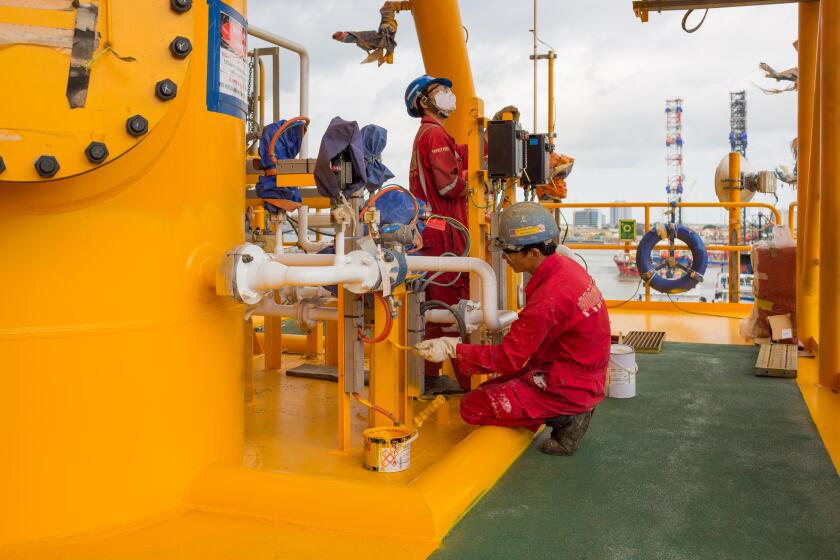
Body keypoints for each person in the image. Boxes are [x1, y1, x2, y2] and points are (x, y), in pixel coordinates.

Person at [413, 202, 611, 455]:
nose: (504, 258)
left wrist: (452, 348)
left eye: (509, 251)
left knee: (473, 406)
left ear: (534, 254)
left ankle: (566, 416)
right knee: (487, 390)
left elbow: (508, 359)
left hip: (567, 384)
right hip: (577, 371)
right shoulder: (567, 269)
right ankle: (567, 409)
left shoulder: (549, 298)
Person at [404, 74, 471, 396]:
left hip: (437, 230)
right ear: (423, 101)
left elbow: (459, 156)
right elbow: (450, 185)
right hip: (445, 232)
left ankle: (431, 373)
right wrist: (478, 178)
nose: (448, 94)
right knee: (451, 308)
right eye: (439, 90)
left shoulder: (434, 135)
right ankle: (463, 380)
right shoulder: (434, 135)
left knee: (436, 307)